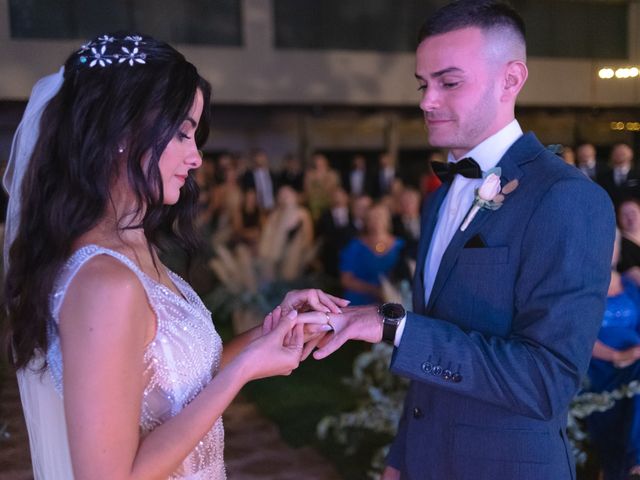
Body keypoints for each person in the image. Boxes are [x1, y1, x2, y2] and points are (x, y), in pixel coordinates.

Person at [2, 33, 343, 480]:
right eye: (182, 133)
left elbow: (166, 386)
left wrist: (269, 333)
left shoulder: (133, 246)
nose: (197, 157)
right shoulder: (104, 283)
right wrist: (239, 374)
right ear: (121, 133)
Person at [307, 2, 615, 479]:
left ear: (510, 79)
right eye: (422, 84)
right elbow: (438, 351)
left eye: (449, 83)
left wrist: (394, 327)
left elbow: (545, 381)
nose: (427, 101)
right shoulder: (440, 196)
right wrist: (402, 458)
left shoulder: (567, 198)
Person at [587, 231, 640, 480]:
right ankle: (635, 462)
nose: (609, 247)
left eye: (614, 243)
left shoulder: (632, 283)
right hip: (601, 365)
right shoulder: (583, 286)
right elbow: (580, 336)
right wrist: (617, 356)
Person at [339, 203, 405, 306]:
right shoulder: (355, 246)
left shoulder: (401, 246)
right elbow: (346, 280)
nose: (377, 220)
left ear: (388, 219)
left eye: (380, 216)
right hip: (360, 302)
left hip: (394, 302)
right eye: (372, 217)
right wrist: (375, 290)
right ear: (366, 221)